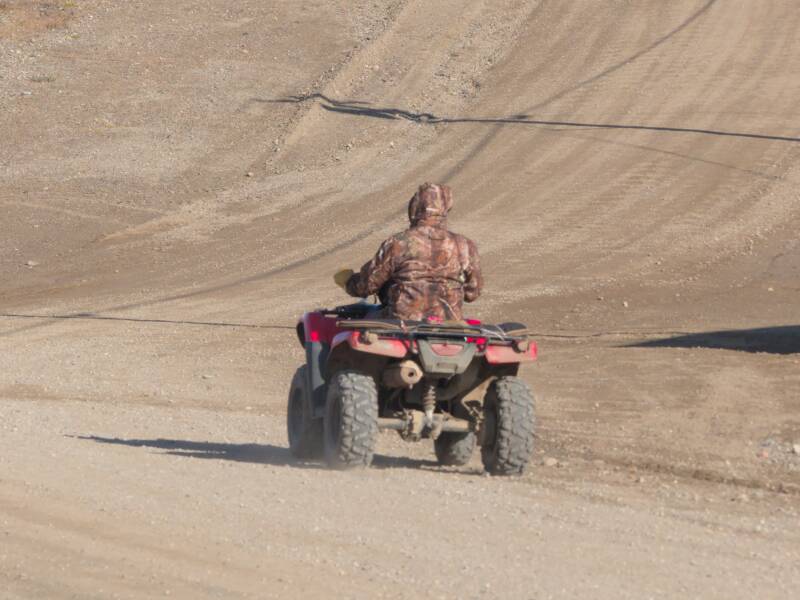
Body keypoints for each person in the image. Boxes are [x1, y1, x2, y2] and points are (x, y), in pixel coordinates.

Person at [334, 182, 483, 321]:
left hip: (401, 322)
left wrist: (348, 281)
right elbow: (473, 293)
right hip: (448, 322)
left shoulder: (398, 242)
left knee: (356, 320)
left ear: (415, 207)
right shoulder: (464, 245)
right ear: (446, 209)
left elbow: (366, 285)